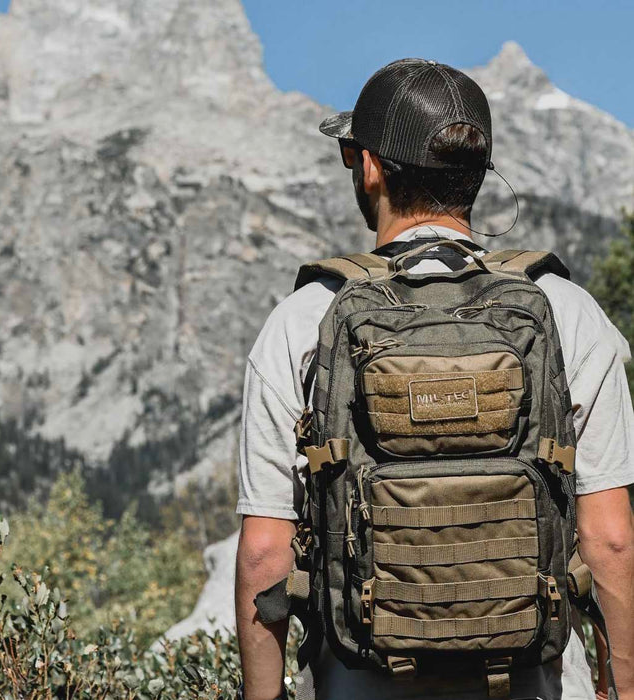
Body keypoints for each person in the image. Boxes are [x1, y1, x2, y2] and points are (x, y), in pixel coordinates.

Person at [235, 58, 634, 700]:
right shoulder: (566, 310)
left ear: (370, 168)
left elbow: (263, 552)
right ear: (476, 174)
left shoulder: (303, 319)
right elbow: (610, 540)